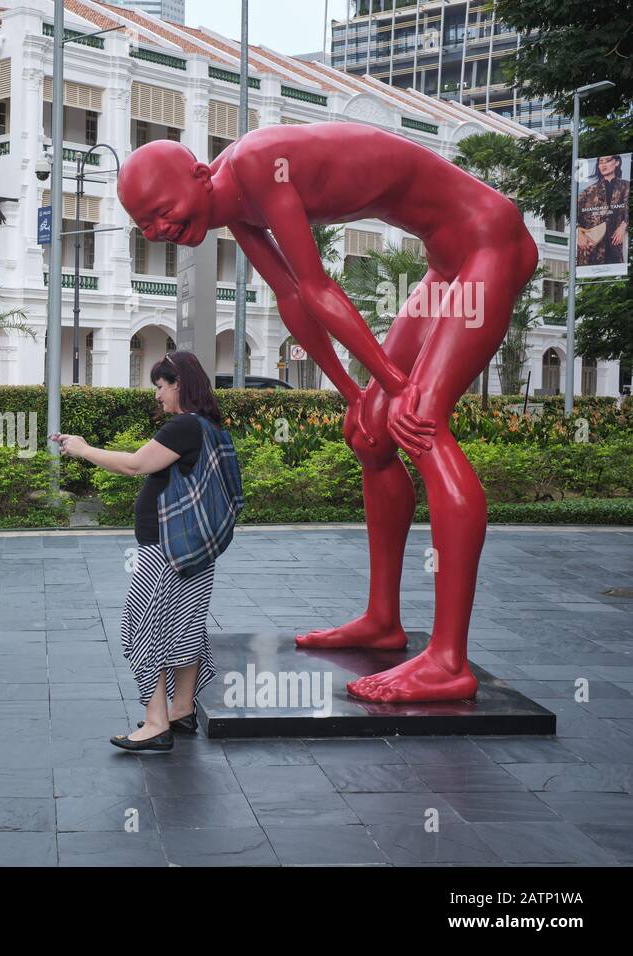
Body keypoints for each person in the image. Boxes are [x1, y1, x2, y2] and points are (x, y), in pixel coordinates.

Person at [117, 125, 538, 703]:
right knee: (370, 439)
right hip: (446, 268)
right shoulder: (239, 213)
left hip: (492, 243)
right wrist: (356, 394)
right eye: (145, 225)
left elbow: (318, 286)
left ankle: (447, 661)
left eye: (161, 211)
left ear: (199, 175)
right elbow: (294, 303)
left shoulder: (261, 165)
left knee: (420, 424)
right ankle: (383, 619)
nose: (161, 230)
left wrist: (392, 386)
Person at [52, 351, 224, 753]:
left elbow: (134, 465)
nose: (158, 396)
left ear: (178, 383)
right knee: (185, 629)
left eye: (160, 387)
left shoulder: (184, 426)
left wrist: (83, 449)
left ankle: (155, 720)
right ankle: (181, 710)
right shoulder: (211, 425)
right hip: (196, 546)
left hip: (166, 549)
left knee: (142, 629)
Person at [576, 154, 629, 268]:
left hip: (616, 245)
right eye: (601, 162)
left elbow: (627, 210)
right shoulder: (588, 191)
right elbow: (575, 216)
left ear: (617, 162)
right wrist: (578, 233)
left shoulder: (626, 186)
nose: (603, 165)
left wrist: (624, 225)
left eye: (607, 161)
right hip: (592, 247)